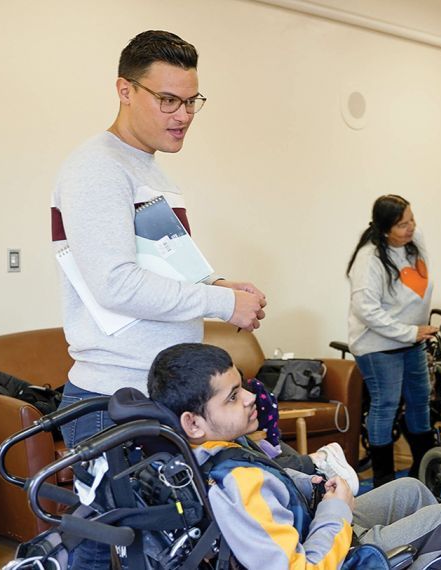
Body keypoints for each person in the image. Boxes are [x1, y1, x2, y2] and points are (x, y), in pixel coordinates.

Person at [51, 31, 265, 568]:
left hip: (150, 395)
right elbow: (115, 283)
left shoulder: (146, 167)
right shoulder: (97, 168)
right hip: (111, 401)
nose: (184, 114)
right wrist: (221, 307)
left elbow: (162, 270)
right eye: (167, 99)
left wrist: (217, 288)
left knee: (165, 553)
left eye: (191, 100)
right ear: (125, 90)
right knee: (101, 556)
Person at [148, 343, 441, 570]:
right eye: (233, 397)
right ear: (193, 422)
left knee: (411, 490)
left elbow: (275, 479)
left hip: (314, 526)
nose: (250, 398)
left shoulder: (221, 448)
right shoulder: (236, 483)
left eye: (242, 386)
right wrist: (335, 510)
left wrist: (312, 484)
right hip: (333, 556)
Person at [346, 195, 437, 488]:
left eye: (412, 220)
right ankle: (384, 479)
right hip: (377, 345)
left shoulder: (413, 242)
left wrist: (414, 334)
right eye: (402, 224)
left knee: (420, 400)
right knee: (386, 404)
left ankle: (424, 468)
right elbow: (366, 310)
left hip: (412, 339)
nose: (410, 227)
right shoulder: (369, 259)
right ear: (385, 229)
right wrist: (410, 332)